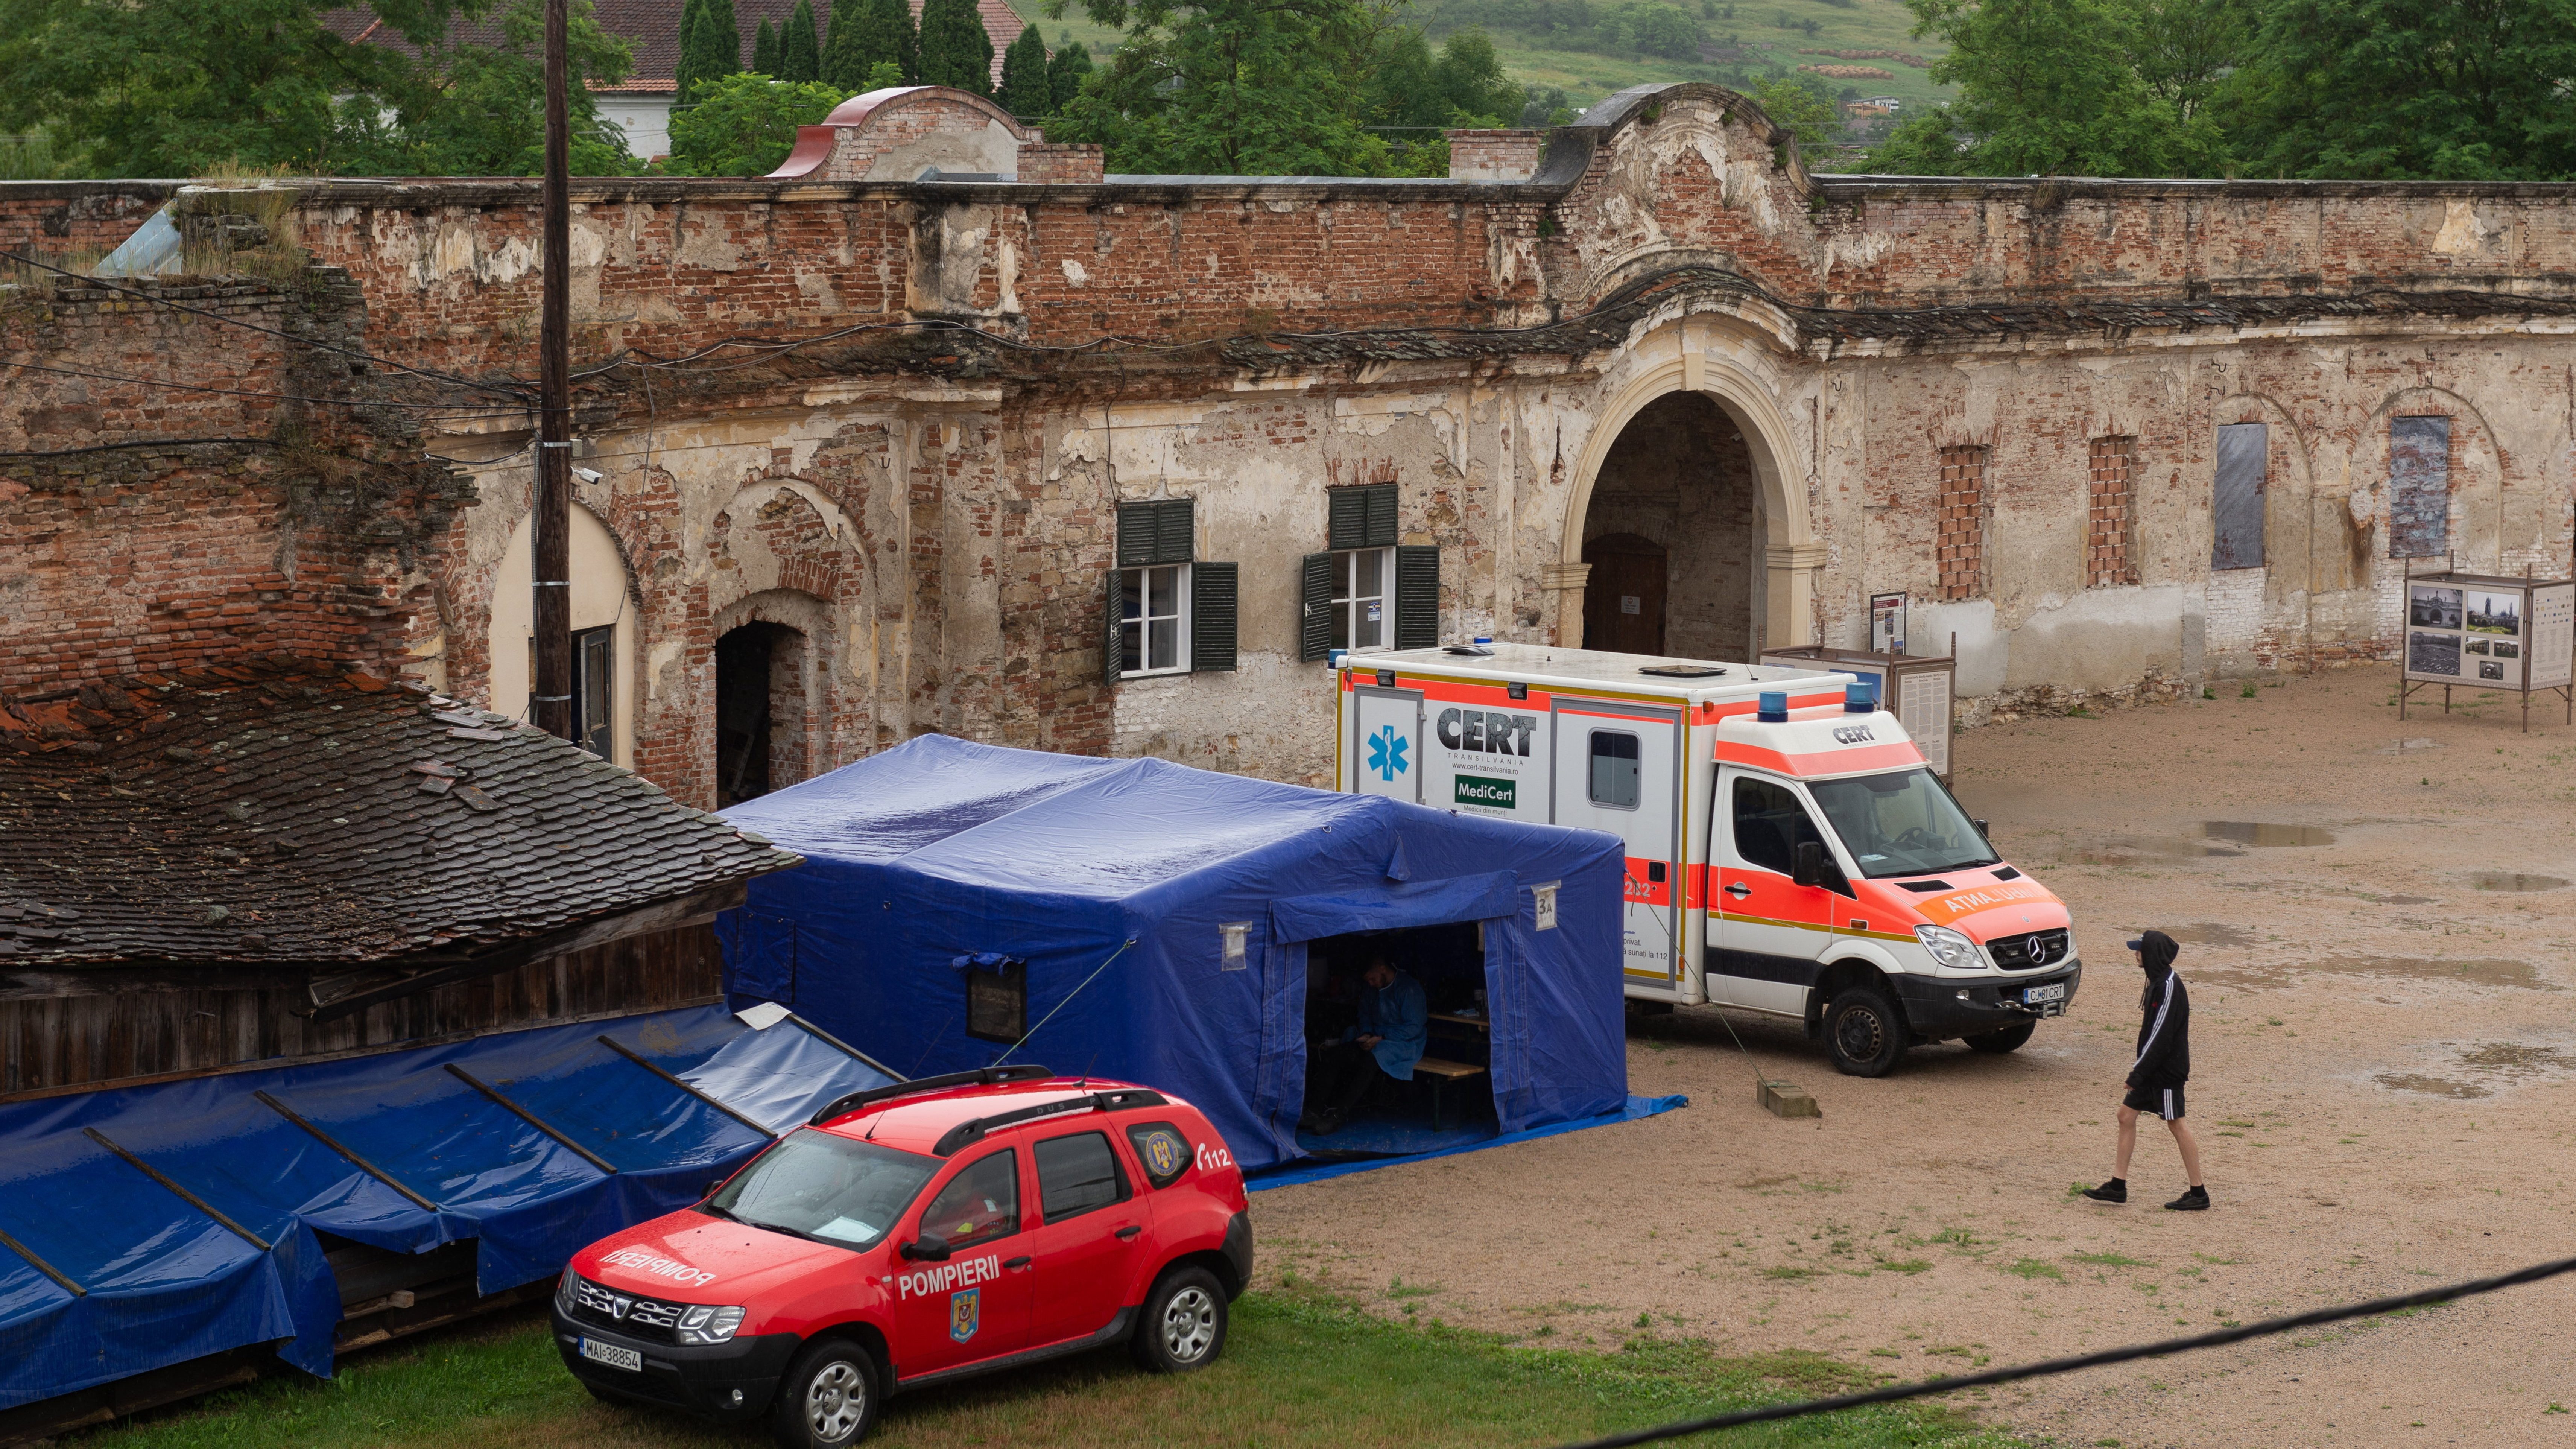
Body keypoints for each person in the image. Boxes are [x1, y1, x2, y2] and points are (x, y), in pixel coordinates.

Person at [2084, 929, 2208, 1210]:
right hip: (2153, 1069)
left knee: (2176, 1123)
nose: (2135, 954)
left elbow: (2160, 1036)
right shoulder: (2157, 981)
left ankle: (2199, 1192)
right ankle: (2117, 1186)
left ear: (2151, 954)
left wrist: (2137, 1073)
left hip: (2164, 1072)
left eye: (2139, 949)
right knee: (2125, 1116)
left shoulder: (2168, 987)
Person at [1300, 955, 1427, 1136]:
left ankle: (1339, 1115)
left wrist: (1383, 1037)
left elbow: (1414, 1027)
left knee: (1372, 1058)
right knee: (1337, 1054)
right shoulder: (1372, 988)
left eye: (1372, 978)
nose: (1370, 983)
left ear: (1382, 968)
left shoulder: (1408, 988)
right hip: (1374, 1039)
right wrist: (1366, 1034)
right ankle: (1314, 1110)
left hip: (1404, 1044)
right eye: (1367, 981)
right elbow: (1365, 1014)